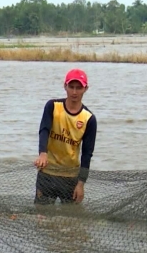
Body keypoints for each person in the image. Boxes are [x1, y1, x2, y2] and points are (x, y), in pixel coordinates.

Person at [33, 68, 97, 205]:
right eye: (71, 87)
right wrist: (42, 153)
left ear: (85, 89)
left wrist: (81, 184)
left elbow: (87, 154)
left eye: (79, 88)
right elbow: (44, 129)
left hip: (70, 178)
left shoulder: (89, 119)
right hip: (47, 174)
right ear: (65, 87)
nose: (74, 92)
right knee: (41, 218)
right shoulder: (53, 106)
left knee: (71, 222)